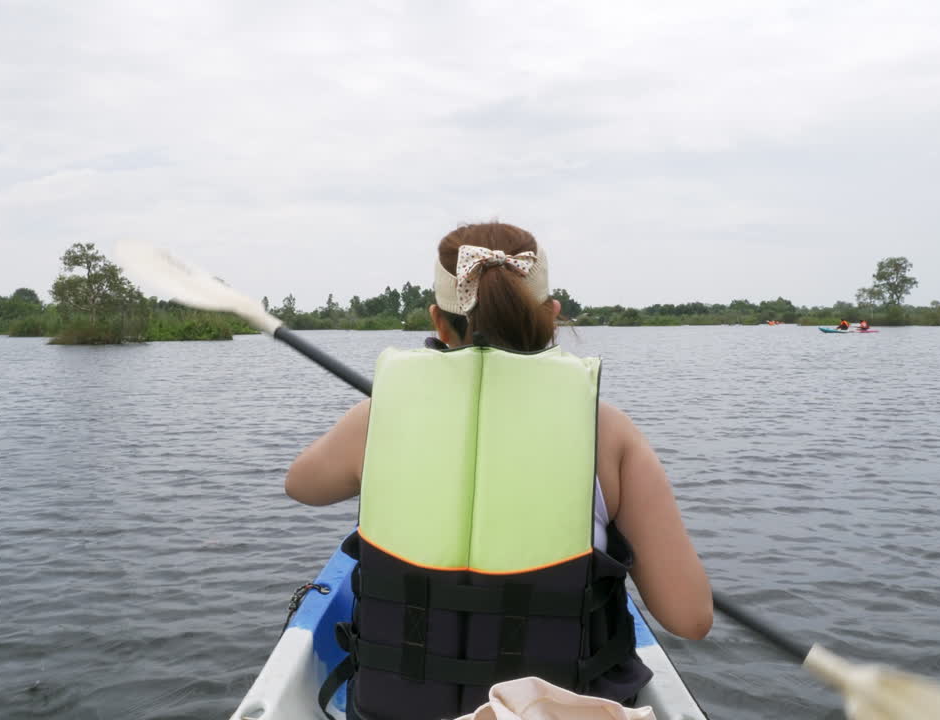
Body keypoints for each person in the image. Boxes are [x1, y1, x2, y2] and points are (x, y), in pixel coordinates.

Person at [285, 222, 712, 720]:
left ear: (437, 323)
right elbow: (690, 618)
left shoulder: (377, 419)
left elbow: (301, 484)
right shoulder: (609, 432)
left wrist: (384, 415)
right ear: (550, 318)